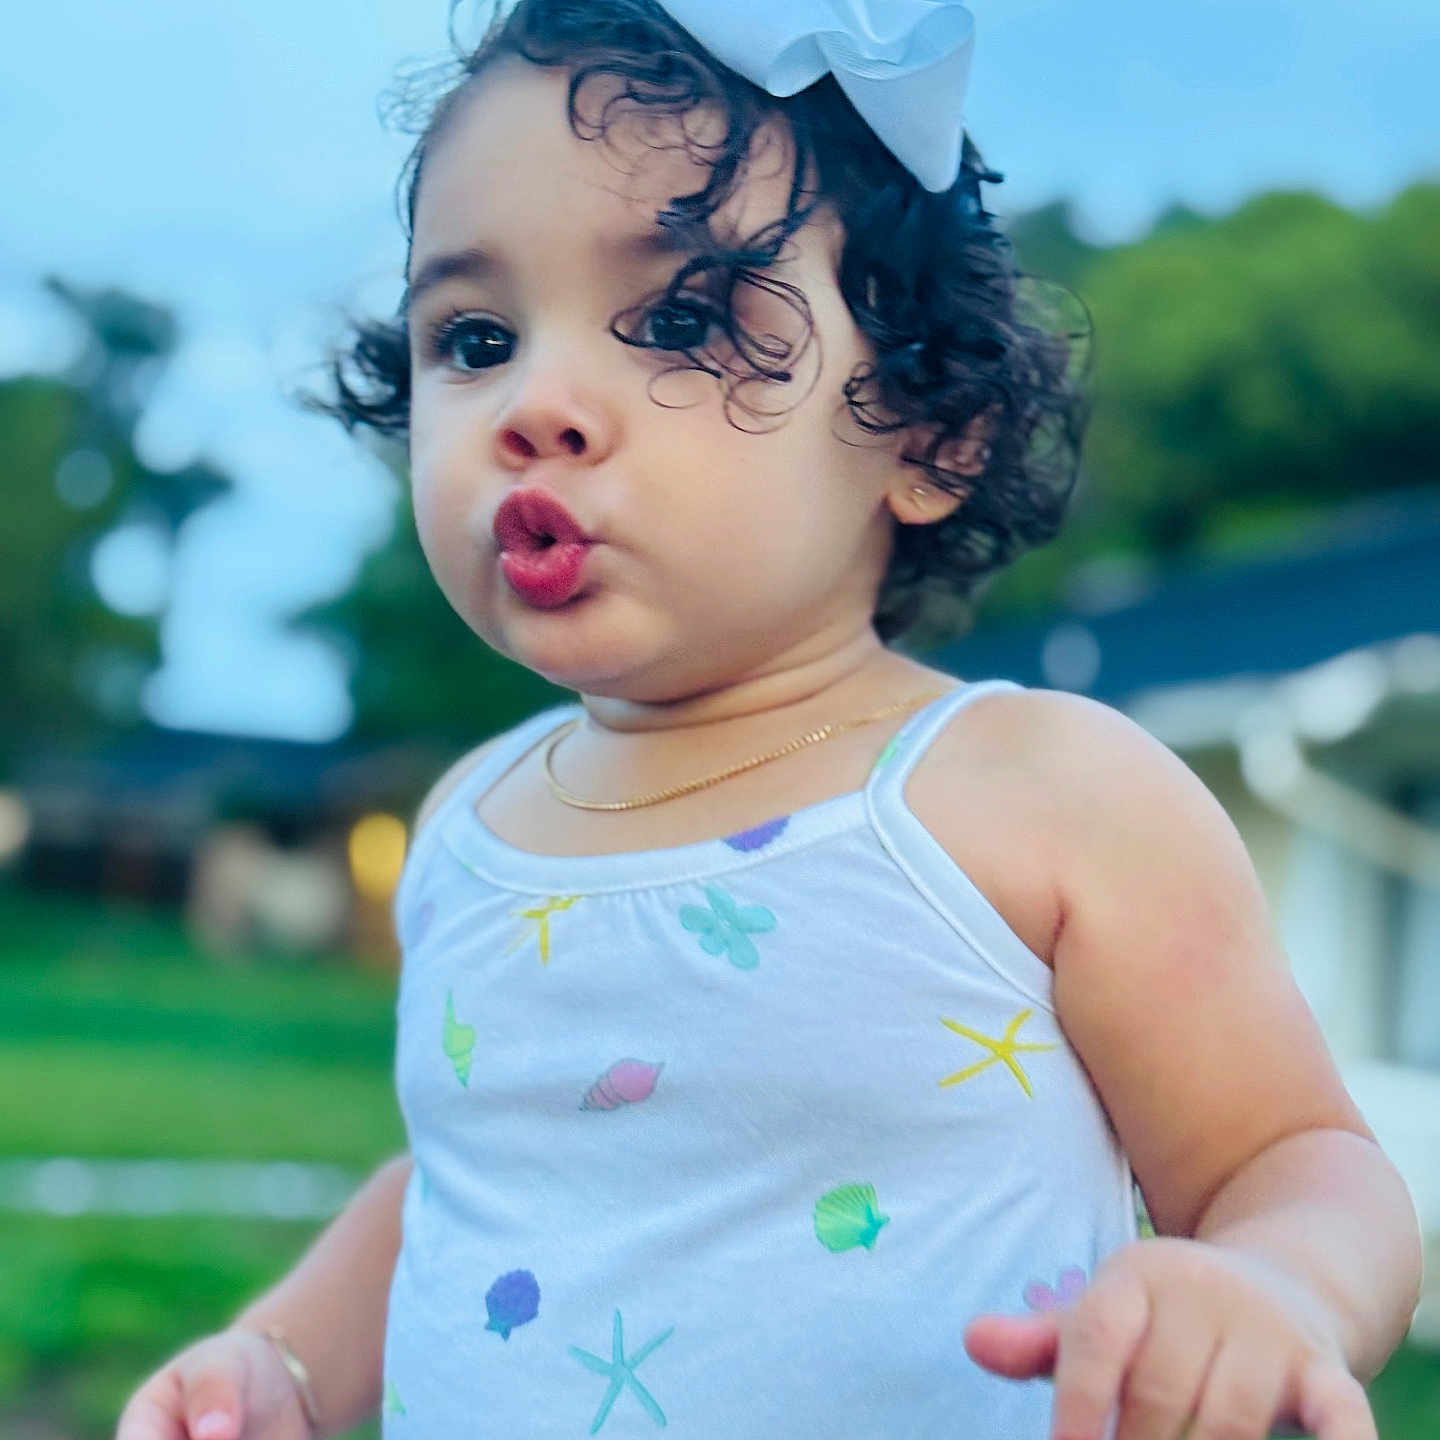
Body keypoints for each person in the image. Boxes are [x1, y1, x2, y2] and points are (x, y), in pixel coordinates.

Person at [116, 1, 1422, 1437]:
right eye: (475, 335)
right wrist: (279, 1362)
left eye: (680, 319)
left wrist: (1277, 1290)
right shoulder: (470, 823)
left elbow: (1295, 1157)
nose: (535, 404)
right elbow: (466, 1178)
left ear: (928, 429)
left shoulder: (1037, 792)